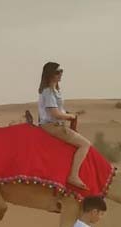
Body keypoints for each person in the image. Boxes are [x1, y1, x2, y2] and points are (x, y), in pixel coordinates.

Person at [38, 61, 89, 189]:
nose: (60, 74)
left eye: (61, 71)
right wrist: (70, 116)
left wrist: (67, 114)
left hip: (56, 124)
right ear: (50, 74)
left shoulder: (54, 91)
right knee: (85, 144)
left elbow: (59, 111)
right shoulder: (48, 92)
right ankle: (73, 176)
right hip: (52, 126)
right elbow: (55, 114)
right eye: (57, 72)